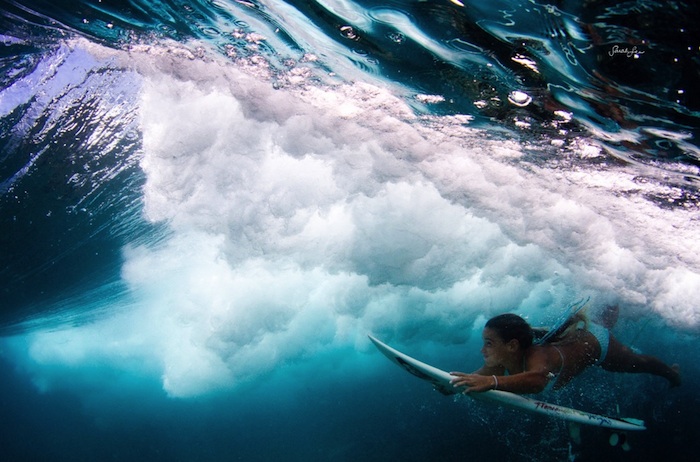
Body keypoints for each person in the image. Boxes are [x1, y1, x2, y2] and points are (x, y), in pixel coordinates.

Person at [449, 310, 681, 394]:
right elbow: (475, 378)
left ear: (512, 345)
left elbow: (538, 380)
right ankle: (610, 307)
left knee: (637, 362)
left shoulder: (537, 356)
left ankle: (672, 372)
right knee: (605, 321)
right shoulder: (501, 361)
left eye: (489, 343)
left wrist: (492, 382)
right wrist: (448, 387)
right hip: (574, 339)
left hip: (597, 345)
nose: (482, 350)